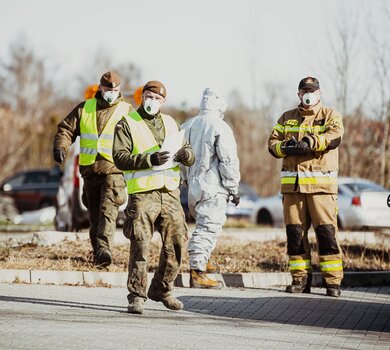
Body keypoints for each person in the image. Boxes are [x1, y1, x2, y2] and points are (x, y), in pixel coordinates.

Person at [112, 80, 195, 314]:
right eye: (149, 96)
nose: (153, 101)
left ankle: (161, 288)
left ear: (163, 102)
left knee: (177, 243)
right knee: (140, 245)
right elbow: (119, 157)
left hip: (169, 193)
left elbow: (190, 153)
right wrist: (149, 160)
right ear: (142, 96)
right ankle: (136, 295)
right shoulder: (128, 123)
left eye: (158, 99)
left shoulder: (171, 123)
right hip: (143, 194)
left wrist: (186, 154)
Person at [268, 76, 344, 297]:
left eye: (312, 90)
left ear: (319, 93)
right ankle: (300, 280)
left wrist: (311, 142)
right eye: (304, 90)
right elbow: (272, 144)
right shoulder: (287, 117)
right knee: (296, 236)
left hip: (322, 190)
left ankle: (333, 282)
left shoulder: (330, 115)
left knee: (327, 235)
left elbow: (334, 136)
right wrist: (286, 147)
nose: (308, 94)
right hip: (293, 190)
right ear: (299, 94)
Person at [53, 71, 132, 267]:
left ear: (119, 90)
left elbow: (139, 137)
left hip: (114, 171)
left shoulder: (127, 111)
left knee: (108, 211)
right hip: (89, 171)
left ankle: (105, 249)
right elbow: (66, 129)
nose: (111, 92)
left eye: (114, 90)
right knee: (94, 215)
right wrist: (61, 147)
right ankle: (99, 254)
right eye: (107, 89)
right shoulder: (84, 108)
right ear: (100, 88)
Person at [181, 88, 240, 289]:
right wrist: (233, 188)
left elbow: (179, 158)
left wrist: (185, 180)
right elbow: (228, 160)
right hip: (214, 186)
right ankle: (197, 273)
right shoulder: (220, 126)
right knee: (208, 228)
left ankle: (203, 260)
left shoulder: (188, 125)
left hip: (193, 188)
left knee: (203, 225)